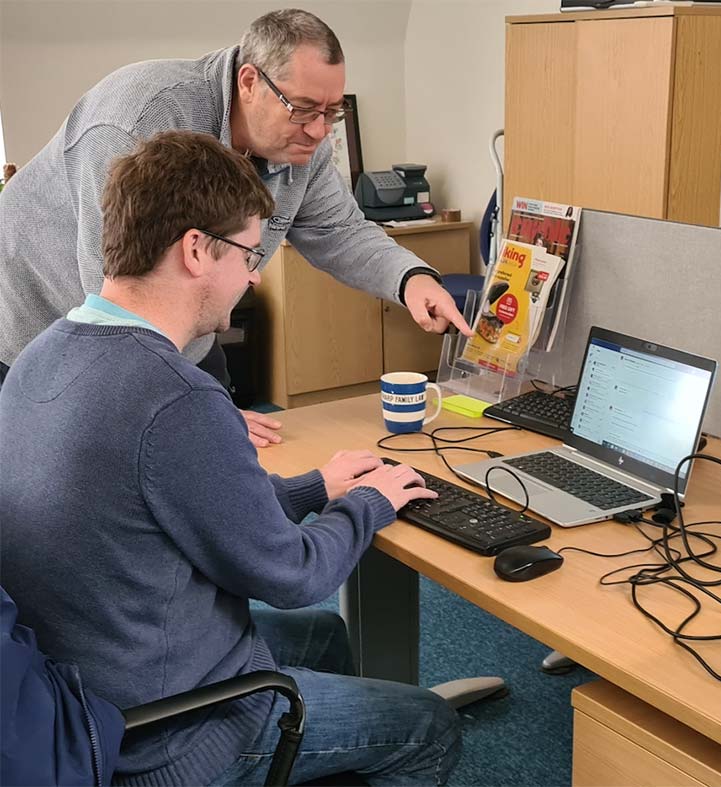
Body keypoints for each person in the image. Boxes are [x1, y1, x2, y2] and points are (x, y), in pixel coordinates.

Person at [0, 130, 461, 786]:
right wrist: (369, 502)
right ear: (195, 249)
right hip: (163, 735)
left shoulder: (41, 354)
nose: (254, 275)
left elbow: (177, 503)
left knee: (324, 637)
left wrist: (314, 487)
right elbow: (293, 575)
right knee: (429, 725)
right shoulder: (174, 396)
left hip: (78, 681)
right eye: (249, 253)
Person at [0, 7, 472, 446]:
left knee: (224, 447)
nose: (318, 130)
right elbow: (117, 299)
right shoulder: (141, 118)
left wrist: (411, 280)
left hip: (180, 332)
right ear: (249, 81)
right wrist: (190, 413)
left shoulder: (302, 143)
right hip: (43, 327)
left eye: (331, 113)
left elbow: (338, 229)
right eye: (304, 108)